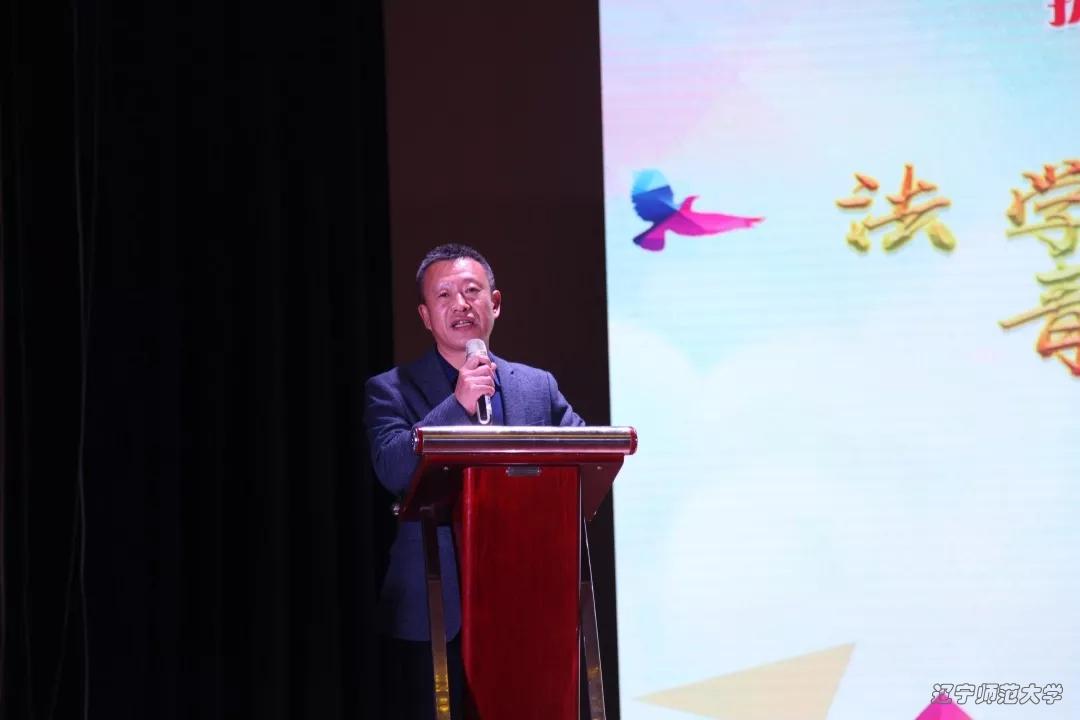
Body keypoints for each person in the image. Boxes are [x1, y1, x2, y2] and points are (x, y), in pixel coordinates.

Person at [364, 243, 584, 719]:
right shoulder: (391, 389)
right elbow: (392, 469)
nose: (460, 304)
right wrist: (457, 405)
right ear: (426, 316)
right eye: (444, 295)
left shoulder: (537, 386)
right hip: (434, 607)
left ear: (495, 303)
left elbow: (585, 458)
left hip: (527, 600)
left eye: (471, 291)